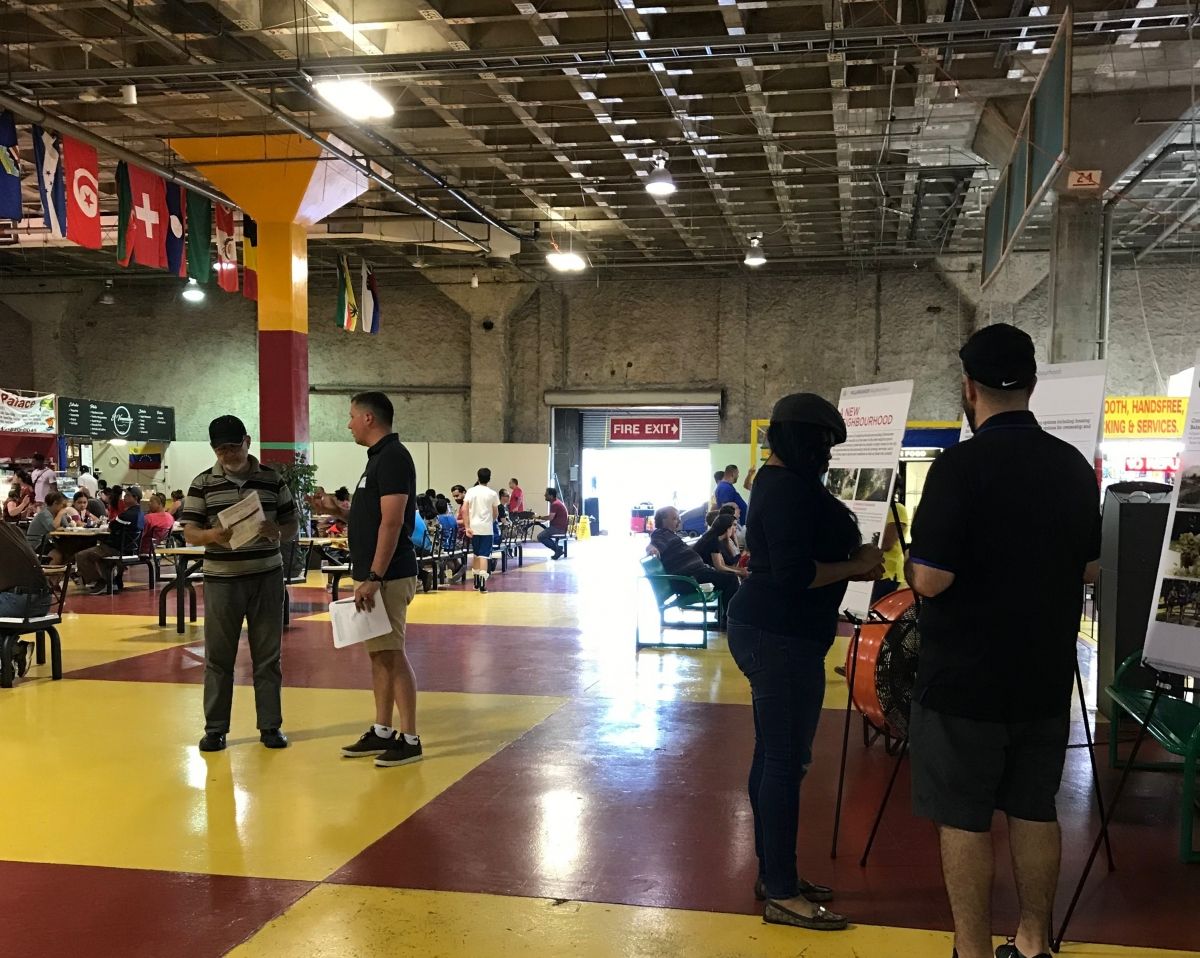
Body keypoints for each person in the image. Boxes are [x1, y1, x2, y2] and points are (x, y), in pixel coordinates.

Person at [904, 324, 1102, 958]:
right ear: (1033, 386)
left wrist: (909, 568)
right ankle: (1036, 941)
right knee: (1034, 807)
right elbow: (1091, 569)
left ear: (969, 388)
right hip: (1043, 675)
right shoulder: (1072, 467)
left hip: (964, 679)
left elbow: (932, 578)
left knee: (963, 816)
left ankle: (971, 948)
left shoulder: (959, 467)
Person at [726, 393, 885, 932]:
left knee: (774, 755)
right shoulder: (789, 488)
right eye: (822, 443)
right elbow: (793, 574)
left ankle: (775, 875)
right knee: (784, 761)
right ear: (798, 437)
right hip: (780, 635)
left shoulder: (778, 482)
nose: (827, 455)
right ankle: (783, 892)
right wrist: (858, 564)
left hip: (776, 631)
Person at [319, 392, 424, 769]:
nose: (348, 424)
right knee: (379, 654)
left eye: (350, 417)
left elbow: (394, 522)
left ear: (367, 418)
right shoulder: (377, 460)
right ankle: (382, 729)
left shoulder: (393, 458)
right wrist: (341, 512)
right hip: (372, 576)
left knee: (392, 654)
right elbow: (375, 519)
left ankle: (409, 738)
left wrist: (376, 576)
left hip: (388, 576)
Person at [181, 416, 297, 753]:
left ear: (247, 441)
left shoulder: (272, 480)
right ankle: (215, 729)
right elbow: (189, 531)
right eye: (221, 449)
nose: (227, 454)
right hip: (222, 580)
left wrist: (278, 531)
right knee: (218, 656)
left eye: (233, 447)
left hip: (266, 578)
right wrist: (211, 536)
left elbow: (292, 524)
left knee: (268, 656)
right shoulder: (202, 483)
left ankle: (270, 726)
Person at [649, 505, 741, 628]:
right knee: (731, 580)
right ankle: (729, 622)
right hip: (689, 579)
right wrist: (652, 549)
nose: (679, 521)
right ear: (663, 520)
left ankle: (728, 618)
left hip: (695, 574)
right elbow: (654, 544)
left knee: (730, 578)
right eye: (675, 518)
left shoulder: (671, 535)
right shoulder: (661, 534)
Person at [0, 522, 54, 677]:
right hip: (43, 599)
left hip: (18, 601)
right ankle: (12, 652)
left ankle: (13, 651)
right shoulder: (13, 529)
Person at [76, 486, 145, 594]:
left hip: (116, 549)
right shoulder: (141, 514)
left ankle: (100, 582)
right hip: (131, 549)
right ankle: (111, 581)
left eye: (127, 495)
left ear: (135, 498)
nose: (124, 498)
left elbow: (111, 526)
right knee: (97, 554)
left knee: (81, 556)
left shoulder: (126, 515)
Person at [871, 468, 909, 604]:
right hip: (870, 569)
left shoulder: (897, 509)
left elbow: (886, 543)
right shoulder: (875, 507)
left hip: (887, 572)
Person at [464, 468, 500, 593]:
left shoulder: (470, 491)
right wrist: (491, 520)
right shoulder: (493, 494)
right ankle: (483, 585)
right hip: (486, 529)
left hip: (473, 528)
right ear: (489, 479)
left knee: (476, 555)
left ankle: (475, 581)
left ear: (477, 477)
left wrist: (467, 526)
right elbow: (496, 512)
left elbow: (464, 509)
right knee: (484, 555)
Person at [693, 513, 747, 580]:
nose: (735, 528)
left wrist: (740, 570)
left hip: (705, 571)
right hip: (700, 574)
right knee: (733, 578)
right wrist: (739, 572)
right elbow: (719, 567)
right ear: (727, 527)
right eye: (734, 525)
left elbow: (724, 564)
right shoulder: (713, 541)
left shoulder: (717, 538)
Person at [25, 492, 65, 558]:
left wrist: (62, 516)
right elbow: (53, 527)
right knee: (57, 556)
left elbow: (66, 526)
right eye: (62, 505)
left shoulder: (55, 513)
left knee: (66, 553)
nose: (63, 508)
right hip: (37, 543)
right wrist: (60, 514)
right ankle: (43, 568)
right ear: (55, 503)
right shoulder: (44, 514)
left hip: (47, 542)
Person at [536, 487, 569, 560]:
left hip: (558, 528)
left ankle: (558, 549)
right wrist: (541, 519)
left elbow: (550, 518)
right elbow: (551, 517)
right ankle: (558, 549)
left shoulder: (555, 504)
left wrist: (538, 517)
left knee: (540, 536)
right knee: (544, 535)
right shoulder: (557, 502)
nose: (544, 495)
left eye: (546, 494)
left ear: (551, 496)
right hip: (560, 527)